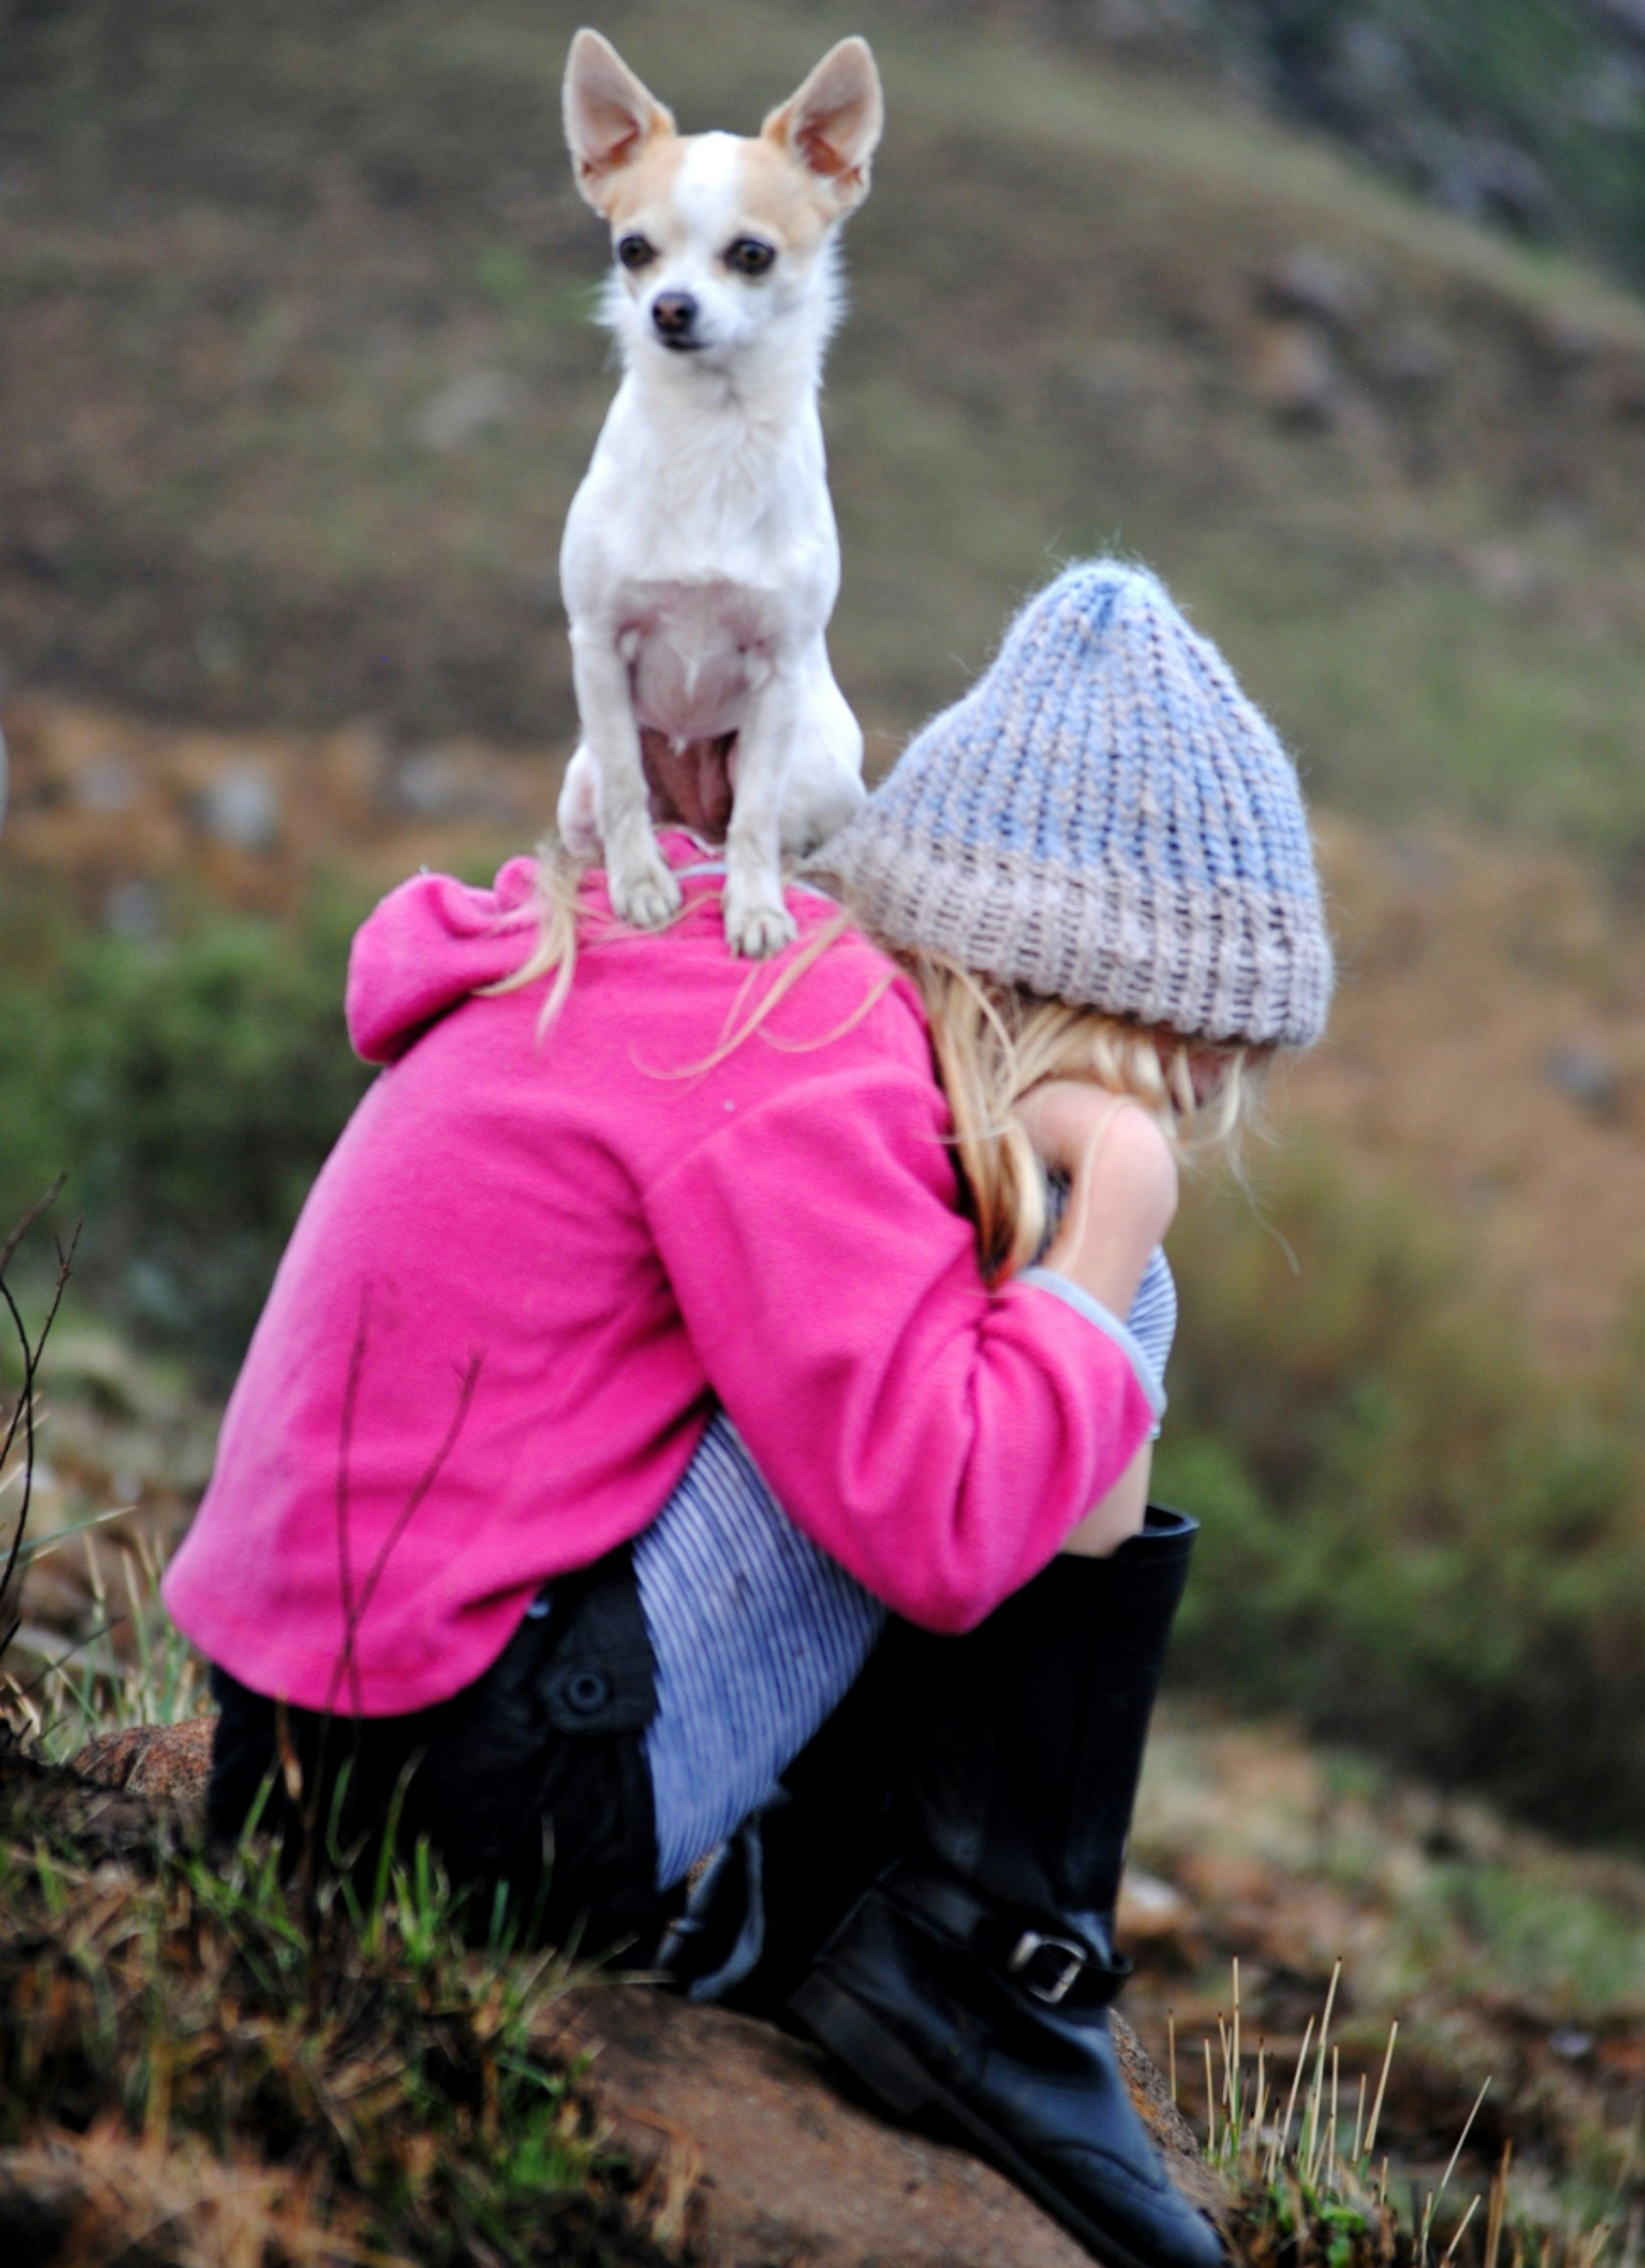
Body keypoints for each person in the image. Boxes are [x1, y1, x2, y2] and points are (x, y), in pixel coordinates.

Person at [164, 561, 1331, 2268]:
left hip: (298, 1764)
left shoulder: (709, 966)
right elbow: (943, 1527)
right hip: (481, 1809)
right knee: (1078, 1312)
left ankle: (858, 1922)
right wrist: (1119, 1208)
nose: (1194, 1116)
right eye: (1185, 1071)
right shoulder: (819, 1049)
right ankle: (984, 1970)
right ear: (1064, 999)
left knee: (968, 1325)